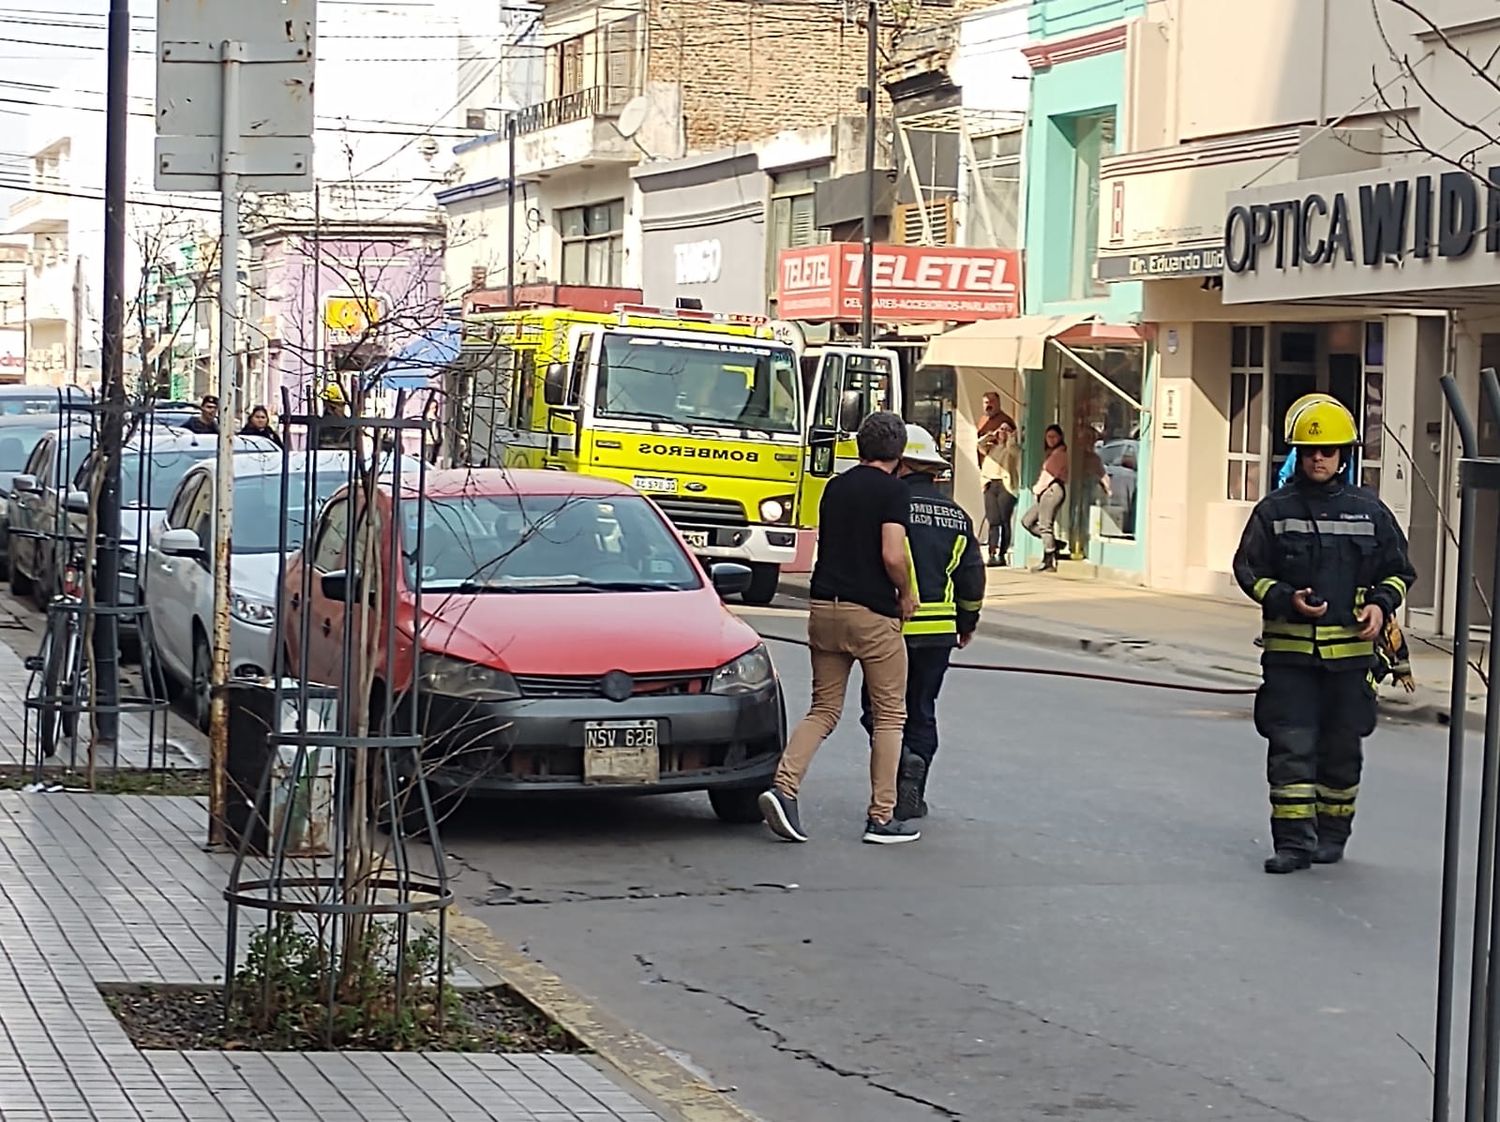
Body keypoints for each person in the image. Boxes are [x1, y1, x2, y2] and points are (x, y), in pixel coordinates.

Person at [1232, 397, 1416, 875]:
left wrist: (1380, 604)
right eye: (1312, 451)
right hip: (1291, 660)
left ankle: (1332, 835)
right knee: (1291, 750)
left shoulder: (1368, 511)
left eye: (1329, 451)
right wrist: (1284, 598)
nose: (1320, 458)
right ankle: (1293, 843)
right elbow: (1249, 569)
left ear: (1343, 455)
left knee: (1341, 750)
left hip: (1351, 663)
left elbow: (1398, 571)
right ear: (1297, 454)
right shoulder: (1273, 510)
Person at [759, 411, 920, 846]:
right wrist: (905, 592)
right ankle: (882, 817)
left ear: (860, 446)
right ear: (898, 452)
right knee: (890, 716)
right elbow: (891, 553)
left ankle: (784, 787)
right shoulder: (893, 491)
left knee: (824, 709)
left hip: (824, 609)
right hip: (871, 614)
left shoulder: (835, 486)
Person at [858, 424, 984, 819]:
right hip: (938, 634)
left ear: (901, 464)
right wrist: (968, 620)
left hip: (893, 627)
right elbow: (971, 576)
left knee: (877, 710)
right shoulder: (957, 515)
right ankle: (914, 786)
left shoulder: (888, 505)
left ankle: (902, 766)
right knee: (922, 708)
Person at [1020, 424, 1068, 572]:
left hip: (1052, 489)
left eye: (1054, 437)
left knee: (1045, 524)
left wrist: (1037, 490)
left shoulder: (1059, 454)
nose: (1051, 440)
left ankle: (1049, 560)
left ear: (1060, 438)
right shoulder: (1052, 453)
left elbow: (1048, 475)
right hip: (1046, 491)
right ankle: (1054, 544)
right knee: (1027, 521)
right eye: (1048, 437)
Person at [979, 418, 1020, 566]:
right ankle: (992, 553)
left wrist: (1010, 437)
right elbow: (980, 445)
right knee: (993, 520)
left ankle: (1002, 553)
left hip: (1005, 484)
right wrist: (991, 435)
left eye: (1006, 429)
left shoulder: (1011, 448)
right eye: (1001, 429)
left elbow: (1013, 450)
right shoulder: (992, 448)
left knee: (1004, 520)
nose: (1003, 432)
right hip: (990, 483)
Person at [316, 383, 355, 450]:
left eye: (342, 405)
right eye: (338, 405)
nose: (341, 409)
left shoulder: (348, 423)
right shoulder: (322, 424)